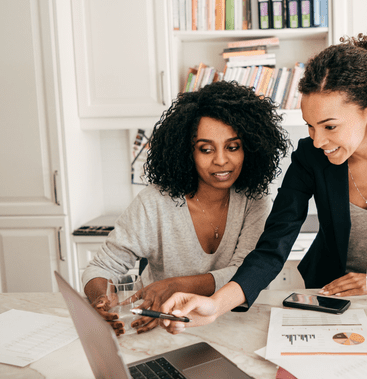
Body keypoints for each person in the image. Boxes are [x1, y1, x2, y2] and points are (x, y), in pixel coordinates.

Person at [159, 33, 367, 333]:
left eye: (330, 126)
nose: (318, 141)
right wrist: (216, 305)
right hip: (328, 292)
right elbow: (273, 247)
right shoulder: (310, 156)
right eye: (310, 126)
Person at [82, 81, 289, 335]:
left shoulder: (253, 200)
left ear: (250, 149)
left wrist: (176, 285)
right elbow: (102, 267)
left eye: (232, 147)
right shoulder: (154, 202)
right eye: (206, 149)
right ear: (186, 152)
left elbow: (244, 272)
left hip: (228, 323)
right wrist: (99, 301)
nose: (221, 160)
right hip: (157, 324)